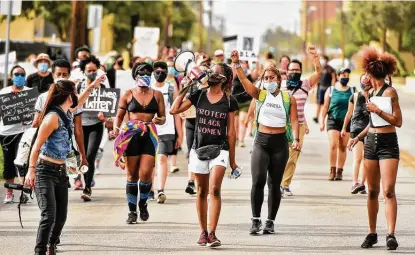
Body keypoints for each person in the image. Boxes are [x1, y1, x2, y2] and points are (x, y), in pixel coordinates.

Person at [231, 50, 300, 235]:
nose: (269, 81)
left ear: (279, 79)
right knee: (258, 180)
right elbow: (245, 84)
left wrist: (296, 139)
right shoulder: (260, 94)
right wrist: (237, 65)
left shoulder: (288, 98)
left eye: (272, 77)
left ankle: (270, 221)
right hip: (261, 141)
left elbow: (294, 121)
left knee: (274, 183)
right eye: (266, 78)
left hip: (280, 144)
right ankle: (255, 220)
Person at [170, 63, 239, 247]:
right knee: (201, 191)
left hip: (220, 149)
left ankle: (213, 234)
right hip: (199, 148)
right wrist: (187, 85)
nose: (212, 74)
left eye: (216, 72)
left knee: (214, 189)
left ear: (224, 77)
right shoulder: (199, 95)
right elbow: (174, 109)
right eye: (210, 71)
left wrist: (233, 162)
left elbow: (231, 133)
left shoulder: (230, 100)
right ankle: (203, 232)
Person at [347, 48, 401, 250]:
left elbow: (398, 121)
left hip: (388, 144)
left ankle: (391, 234)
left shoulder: (390, 93)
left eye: (367, 75)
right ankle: (372, 233)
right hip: (370, 142)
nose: (365, 79)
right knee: (372, 192)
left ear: (371, 75)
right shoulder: (368, 94)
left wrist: (378, 110)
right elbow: (373, 123)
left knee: (388, 191)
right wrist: (357, 137)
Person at [24, 80, 80, 255]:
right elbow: (37, 146)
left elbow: (82, 101)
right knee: (49, 215)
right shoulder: (52, 118)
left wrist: (93, 86)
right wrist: (31, 170)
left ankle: (51, 245)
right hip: (44, 171)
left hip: (61, 172)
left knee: (61, 217)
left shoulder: (67, 113)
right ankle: (40, 250)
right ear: (68, 95)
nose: (77, 95)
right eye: (75, 92)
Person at [111, 62, 165, 224]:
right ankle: (132, 211)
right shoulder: (128, 94)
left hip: (149, 134)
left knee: (146, 174)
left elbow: (162, 117)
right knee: (132, 175)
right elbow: (119, 115)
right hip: (131, 135)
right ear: (135, 76)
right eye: (142, 74)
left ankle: (143, 203)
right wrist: (115, 128)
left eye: (149, 74)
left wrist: (158, 119)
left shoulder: (157, 95)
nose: (145, 77)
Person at [280, 45, 322, 196]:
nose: (294, 72)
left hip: (299, 126)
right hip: (280, 125)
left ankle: (285, 185)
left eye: (297, 70)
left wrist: (315, 57)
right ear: (287, 71)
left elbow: (319, 72)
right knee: (279, 155)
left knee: (293, 155)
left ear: (301, 72)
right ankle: (276, 181)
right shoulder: (281, 85)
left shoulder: (305, 84)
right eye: (292, 70)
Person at [76, 56, 109, 201]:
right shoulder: (78, 86)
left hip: (96, 125)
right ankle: (82, 178)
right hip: (80, 125)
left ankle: (87, 186)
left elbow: (108, 109)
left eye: (94, 70)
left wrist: (104, 116)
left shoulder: (103, 88)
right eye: (89, 70)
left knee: (89, 156)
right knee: (80, 156)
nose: (91, 73)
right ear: (83, 71)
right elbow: (74, 104)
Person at [151, 61, 183, 203]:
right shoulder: (148, 88)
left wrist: (180, 133)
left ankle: (160, 190)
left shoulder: (171, 89)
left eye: (162, 70)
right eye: (156, 70)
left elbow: (176, 112)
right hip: (149, 129)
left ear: (166, 72)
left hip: (167, 129)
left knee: (162, 158)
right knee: (150, 161)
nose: (159, 72)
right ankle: (149, 189)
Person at [0, 66, 32, 203]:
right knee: (8, 162)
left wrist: (28, 118)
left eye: (22, 74)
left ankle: (23, 191)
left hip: (23, 133)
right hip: (6, 133)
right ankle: (9, 192)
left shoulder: (30, 93)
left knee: (22, 162)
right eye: (16, 74)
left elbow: (35, 113)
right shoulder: (3, 92)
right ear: (11, 76)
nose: (19, 76)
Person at [320, 68, 354, 181]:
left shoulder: (353, 91)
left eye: (347, 75)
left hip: (347, 122)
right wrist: (322, 121)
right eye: (343, 75)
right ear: (338, 76)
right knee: (333, 145)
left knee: (343, 147)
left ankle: (340, 171)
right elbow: (325, 107)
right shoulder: (331, 90)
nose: (345, 77)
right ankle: (332, 170)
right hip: (333, 120)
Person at [342, 74, 371, 194]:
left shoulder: (375, 95)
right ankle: (355, 182)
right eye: (363, 79)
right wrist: (344, 128)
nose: (365, 81)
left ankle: (363, 184)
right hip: (356, 129)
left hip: (370, 129)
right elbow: (349, 114)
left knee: (366, 159)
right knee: (358, 157)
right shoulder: (354, 96)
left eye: (367, 79)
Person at [231, 60, 253, 148]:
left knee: (242, 120)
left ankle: (241, 140)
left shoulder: (248, 75)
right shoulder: (234, 75)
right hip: (235, 101)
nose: (243, 64)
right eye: (241, 63)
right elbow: (231, 79)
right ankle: (235, 139)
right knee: (235, 123)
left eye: (244, 63)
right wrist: (236, 69)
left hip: (246, 101)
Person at [314, 55, 336, 123]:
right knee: (319, 102)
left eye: (323, 59)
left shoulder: (331, 69)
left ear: (327, 60)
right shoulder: (320, 68)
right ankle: (316, 117)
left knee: (326, 104)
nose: (322, 61)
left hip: (327, 88)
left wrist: (332, 87)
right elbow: (317, 77)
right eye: (321, 59)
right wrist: (315, 86)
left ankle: (326, 117)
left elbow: (333, 78)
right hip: (321, 88)